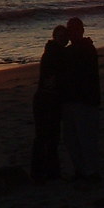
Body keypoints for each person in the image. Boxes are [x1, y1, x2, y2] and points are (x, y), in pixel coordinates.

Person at [59, 16, 101, 183]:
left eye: (75, 30)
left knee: (85, 139)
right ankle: (81, 170)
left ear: (82, 31)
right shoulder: (73, 50)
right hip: (71, 100)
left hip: (85, 101)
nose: (73, 33)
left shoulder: (85, 49)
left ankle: (91, 172)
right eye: (70, 30)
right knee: (72, 139)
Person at [31, 24, 69, 182]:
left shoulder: (55, 52)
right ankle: (43, 173)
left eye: (65, 36)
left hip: (51, 99)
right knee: (46, 137)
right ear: (55, 37)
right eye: (60, 36)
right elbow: (52, 79)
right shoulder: (54, 53)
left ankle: (47, 172)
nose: (64, 39)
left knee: (49, 137)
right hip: (46, 99)